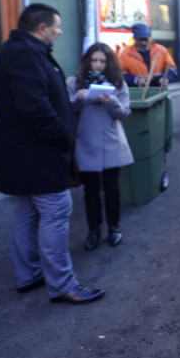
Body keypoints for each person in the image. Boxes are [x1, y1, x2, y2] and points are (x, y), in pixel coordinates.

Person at [0, 3, 104, 305]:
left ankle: (29, 275)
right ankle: (63, 285)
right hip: (37, 155)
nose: (60, 31)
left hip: (22, 156)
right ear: (42, 28)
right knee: (56, 213)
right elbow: (35, 108)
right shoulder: (26, 55)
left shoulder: (16, 50)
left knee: (26, 214)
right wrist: (62, 135)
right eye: (56, 26)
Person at [67, 43, 133, 251]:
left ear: (109, 63)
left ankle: (114, 228)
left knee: (112, 189)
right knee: (91, 191)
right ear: (87, 61)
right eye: (94, 60)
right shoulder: (74, 82)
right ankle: (94, 230)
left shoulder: (118, 83)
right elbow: (66, 109)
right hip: (86, 142)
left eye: (102, 61)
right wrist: (79, 98)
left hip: (111, 142)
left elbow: (124, 113)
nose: (97, 65)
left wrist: (112, 101)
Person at [118, 23, 178, 88]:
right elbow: (120, 74)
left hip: (158, 88)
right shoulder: (125, 53)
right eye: (140, 40)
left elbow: (172, 69)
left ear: (150, 38)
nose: (143, 42)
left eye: (145, 39)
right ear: (134, 38)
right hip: (137, 90)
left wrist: (166, 78)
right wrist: (136, 80)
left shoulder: (161, 50)